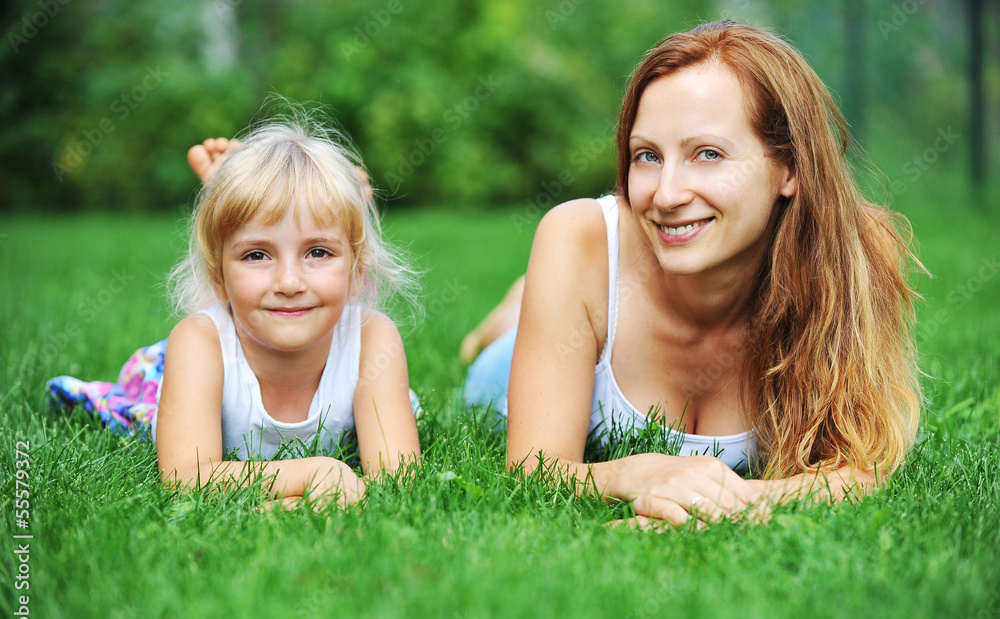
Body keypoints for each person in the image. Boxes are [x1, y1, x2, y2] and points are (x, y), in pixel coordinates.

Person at [462, 20, 922, 527]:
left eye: (708, 154)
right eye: (648, 156)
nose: (665, 195)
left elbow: (865, 466)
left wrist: (735, 503)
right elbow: (533, 469)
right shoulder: (578, 240)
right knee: (494, 359)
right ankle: (515, 311)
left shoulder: (853, 257)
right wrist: (640, 475)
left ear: (790, 168)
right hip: (513, 367)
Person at [50, 118, 421, 509]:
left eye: (318, 252)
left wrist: (292, 506)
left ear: (357, 269)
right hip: (193, 365)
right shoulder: (198, 343)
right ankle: (232, 193)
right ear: (218, 276)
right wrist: (315, 474)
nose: (290, 282)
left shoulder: (372, 341)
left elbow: (398, 479)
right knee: (172, 382)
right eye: (257, 254)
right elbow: (185, 478)